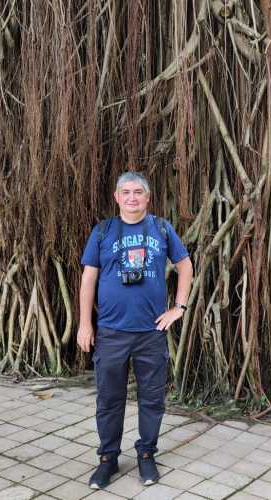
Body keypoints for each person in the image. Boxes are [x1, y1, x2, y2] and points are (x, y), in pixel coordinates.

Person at [77, 171, 193, 489]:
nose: (131, 197)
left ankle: (146, 454)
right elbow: (88, 279)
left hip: (150, 333)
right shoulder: (103, 231)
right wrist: (85, 323)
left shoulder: (161, 228)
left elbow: (185, 266)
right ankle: (108, 459)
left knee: (152, 398)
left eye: (138, 192)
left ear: (147, 197)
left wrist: (178, 308)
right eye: (125, 192)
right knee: (109, 399)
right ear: (116, 197)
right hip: (111, 332)